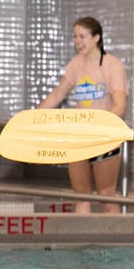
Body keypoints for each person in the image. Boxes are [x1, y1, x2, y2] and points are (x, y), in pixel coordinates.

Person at [38, 16, 127, 214]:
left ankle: (115, 244)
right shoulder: (76, 64)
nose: (77, 41)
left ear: (96, 38)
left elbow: (120, 105)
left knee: (106, 197)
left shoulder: (112, 65)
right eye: (75, 37)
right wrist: (35, 117)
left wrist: (98, 127)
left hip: (105, 139)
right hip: (80, 138)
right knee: (81, 196)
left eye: (82, 36)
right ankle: (81, 245)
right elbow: (58, 94)